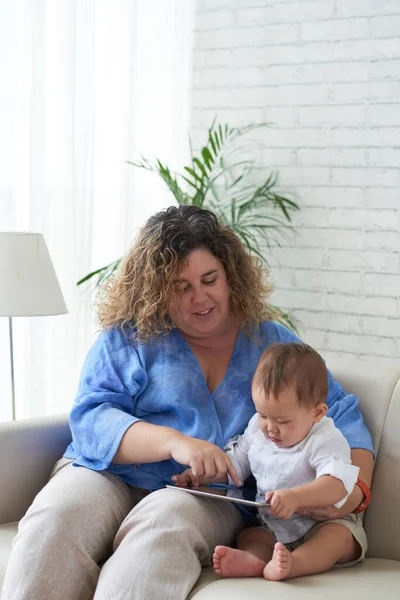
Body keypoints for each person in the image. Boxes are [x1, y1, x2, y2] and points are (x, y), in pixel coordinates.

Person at [1, 205, 374, 600]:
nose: (200, 298)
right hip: (103, 473)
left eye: (209, 279)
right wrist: (174, 443)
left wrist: (353, 494)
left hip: (203, 498)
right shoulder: (129, 337)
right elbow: (92, 417)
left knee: (162, 528)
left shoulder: (271, 343)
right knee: (56, 520)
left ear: (230, 275)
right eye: (181, 287)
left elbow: (339, 414)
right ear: (155, 290)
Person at [173, 342, 368, 581]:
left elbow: (336, 484)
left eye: (283, 421)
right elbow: (236, 464)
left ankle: (295, 564)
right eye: (263, 415)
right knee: (251, 536)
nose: (270, 428)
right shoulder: (258, 428)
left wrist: (296, 498)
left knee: (337, 539)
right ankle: (253, 559)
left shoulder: (326, 438)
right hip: (274, 526)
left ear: (317, 413)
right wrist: (199, 476)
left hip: (322, 523)